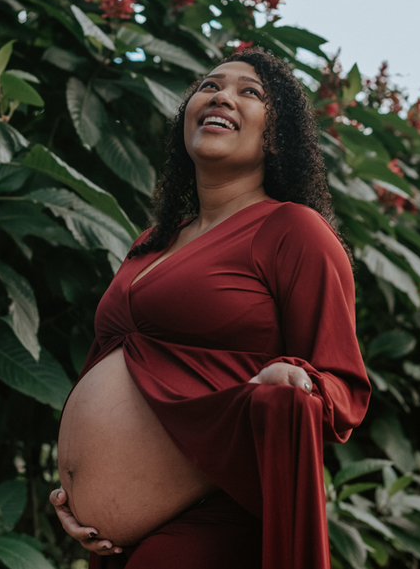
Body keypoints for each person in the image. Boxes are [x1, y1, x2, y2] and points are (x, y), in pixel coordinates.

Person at [50, 46, 371, 569]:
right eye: (209, 86)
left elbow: (344, 387)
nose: (222, 96)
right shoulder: (153, 241)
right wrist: (77, 492)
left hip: (215, 519)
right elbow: (113, 363)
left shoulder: (294, 231)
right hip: (114, 542)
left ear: (276, 134)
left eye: (250, 92)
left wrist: (297, 379)